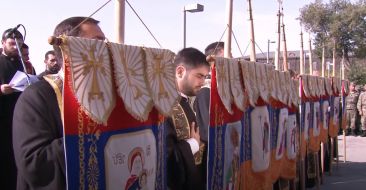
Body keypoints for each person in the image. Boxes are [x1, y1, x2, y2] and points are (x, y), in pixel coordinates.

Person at [12, 16, 105, 190]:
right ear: (70, 49)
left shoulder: (106, 94)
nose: (107, 49)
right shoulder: (37, 96)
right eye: (97, 43)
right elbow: (35, 163)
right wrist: (97, 134)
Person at [166, 47, 210, 190]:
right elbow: (164, 156)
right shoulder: (164, 105)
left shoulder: (183, 101)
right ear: (180, 72)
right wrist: (192, 144)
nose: (203, 82)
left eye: (205, 77)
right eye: (199, 76)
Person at [0, 28, 25, 190]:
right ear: (2, 43)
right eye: (12, 44)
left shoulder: (23, 63)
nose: (16, 47)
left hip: (19, 118)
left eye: (19, 44)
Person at [193, 41, 224, 144]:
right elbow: (208, 129)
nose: (232, 58)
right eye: (229, 53)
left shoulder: (225, 85)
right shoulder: (206, 90)